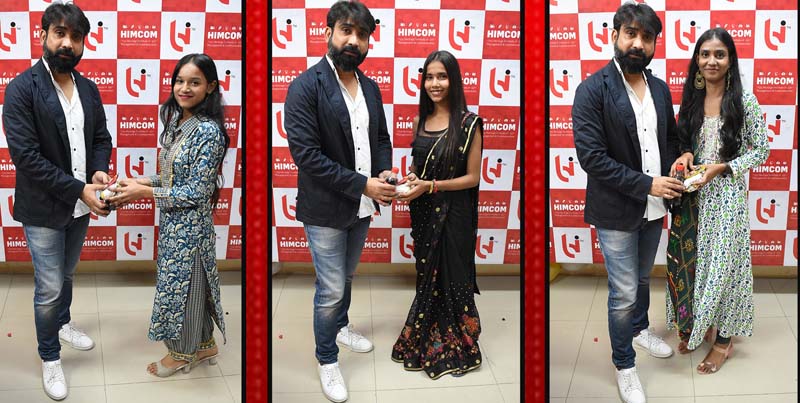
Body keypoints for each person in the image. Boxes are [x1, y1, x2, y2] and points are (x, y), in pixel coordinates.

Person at [571, 2, 684, 402]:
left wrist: (680, 161)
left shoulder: (660, 88)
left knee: (641, 279)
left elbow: (669, 139)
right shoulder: (592, 90)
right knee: (622, 294)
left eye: (646, 37)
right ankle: (625, 365)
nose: (638, 43)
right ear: (614, 36)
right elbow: (592, 158)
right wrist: (648, 185)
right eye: (631, 34)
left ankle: (639, 330)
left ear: (654, 44)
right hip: (617, 210)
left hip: (655, 207)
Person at [284, 1, 395, 401]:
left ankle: (341, 326)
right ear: (328, 32)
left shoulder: (371, 87)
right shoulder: (305, 86)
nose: (354, 40)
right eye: (347, 30)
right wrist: (364, 185)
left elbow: (380, 139)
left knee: (345, 278)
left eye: (362, 34)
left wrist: (384, 172)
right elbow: (307, 156)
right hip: (326, 208)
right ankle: (327, 359)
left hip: (361, 206)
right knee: (330, 289)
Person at [1, 2, 113, 400]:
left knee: (66, 275)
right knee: (48, 288)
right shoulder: (21, 88)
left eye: (76, 37)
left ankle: (62, 324)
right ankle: (50, 356)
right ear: (43, 35)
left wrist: (97, 172)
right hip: (44, 208)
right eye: (60, 33)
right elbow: (26, 158)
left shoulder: (88, 88)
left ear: (83, 43)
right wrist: (79, 188)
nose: (68, 43)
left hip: (81, 206)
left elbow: (100, 138)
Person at [107, 53, 229, 377]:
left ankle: (182, 354)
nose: (184, 88)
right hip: (174, 225)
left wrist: (143, 193)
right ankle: (205, 345)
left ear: (210, 87)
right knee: (187, 288)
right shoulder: (177, 122)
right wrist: (140, 182)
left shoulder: (208, 131)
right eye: (179, 81)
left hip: (191, 231)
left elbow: (196, 192)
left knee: (184, 293)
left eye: (194, 82)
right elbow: (173, 178)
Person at [666, 27, 769, 374]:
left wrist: (723, 167)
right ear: (697, 60)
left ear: (730, 60)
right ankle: (701, 324)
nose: (712, 60)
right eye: (705, 54)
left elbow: (762, 150)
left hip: (726, 199)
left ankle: (723, 342)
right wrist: (685, 154)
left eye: (719, 54)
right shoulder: (691, 101)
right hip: (694, 197)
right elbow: (685, 142)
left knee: (724, 269)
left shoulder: (744, 102)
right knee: (696, 266)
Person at [390, 50, 484, 380]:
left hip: (455, 214)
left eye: (442, 76)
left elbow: (472, 178)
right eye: (429, 77)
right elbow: (419, 169)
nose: (434, 83)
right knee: (427, 274)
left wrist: (430, 185)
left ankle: (458, 337)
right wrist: (409, 181)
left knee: (453, 275)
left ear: (453, 80)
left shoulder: (469, 124)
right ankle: (428, 327)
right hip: (424, 213)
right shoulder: (420, 121)